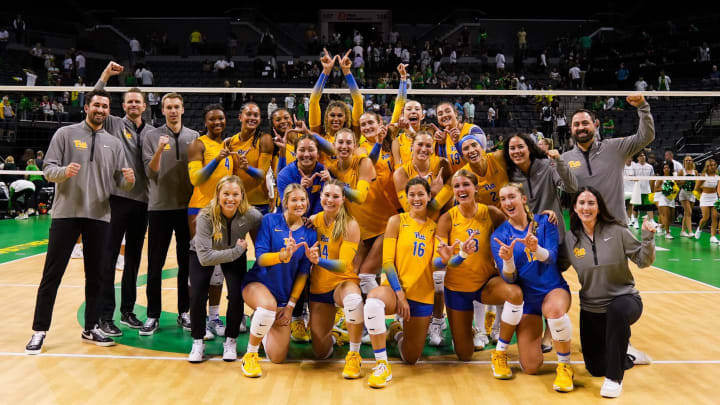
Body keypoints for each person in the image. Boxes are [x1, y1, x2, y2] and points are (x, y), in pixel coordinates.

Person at [25, 89, 135, 354]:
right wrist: (65, 172)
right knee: (52, 274)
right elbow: (48, 170)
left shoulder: (114, 143)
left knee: (96, 276)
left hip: (99, 216)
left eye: (105, 106)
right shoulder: (65, 134)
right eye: (96, 105)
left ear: (109, 111)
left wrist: (129, 180)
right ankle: (39, 330)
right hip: (66, 214)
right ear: (87, 107)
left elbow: (120, 183)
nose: (100, 110)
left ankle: (91, 326)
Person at [561, 187, 656, 398]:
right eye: (582, 203)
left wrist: (648, 239)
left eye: (591, 203)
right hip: (591, 309)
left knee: (616, 310)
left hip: (625, 300)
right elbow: (557, 265)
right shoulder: (570, 239)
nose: (586, 207)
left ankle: (614, 379)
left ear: (599, 207)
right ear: (574, 208)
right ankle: (626, 354)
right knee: (595, 368)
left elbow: (643, 261)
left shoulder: (617, 231)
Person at [433, 170, 520, 378]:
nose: (461, 190)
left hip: (486, 284)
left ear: (475, 188)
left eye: (465, 185)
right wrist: (453, 257)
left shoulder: (491, 213)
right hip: (457, 289)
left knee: (516, 294)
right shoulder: (447, 218)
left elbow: (516, 228)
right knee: (464, 355)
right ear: (453, 191)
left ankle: (501, 349)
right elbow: (439, 262)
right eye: (457, 186)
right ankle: (467, 329)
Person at [491, 183, 574, 392]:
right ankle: (539, 335)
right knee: (531, 367)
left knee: (554, 310)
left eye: (512, 197)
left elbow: (552, 257)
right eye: (503, 199)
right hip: (528, 302)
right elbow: (509, 279)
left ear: (523, 199)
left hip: (553, 289)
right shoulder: (499, 236)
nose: (508, 202)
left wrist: (535, 249)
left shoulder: (545, 221)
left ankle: (565, 366)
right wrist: (508, 261)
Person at [93, 62, 156, 336]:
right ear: (123, 105)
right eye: (129, 101)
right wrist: (106, 75)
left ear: (144, 105)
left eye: (137, 101)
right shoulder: (114, 123)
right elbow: (95, 96)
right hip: (117, 199)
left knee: (132, 260)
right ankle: (105, 316)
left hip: (143, 202)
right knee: (108, 259)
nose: (133, 105)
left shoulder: (154, 132)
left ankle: (127, 311)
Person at [364, 177, 437, 388]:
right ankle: (382, 364)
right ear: (406, 198)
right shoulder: (397, 221)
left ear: (429, 196)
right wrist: (400, 294)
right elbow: (387, 262)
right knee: (373, 302)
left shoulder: (434, 226)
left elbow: (439, 262)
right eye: (411, 194)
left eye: (421, 194)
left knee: (411, 357)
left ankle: (396, 331)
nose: (416, 198)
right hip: (395, 291)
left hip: (422, 294)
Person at [240, 184, 317, 377]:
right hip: (258, 284)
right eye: (294, 200)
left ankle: (259, 321)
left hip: (283, 297)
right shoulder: (269, 220)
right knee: (267, 307)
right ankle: (250, 356)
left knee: (277, 357)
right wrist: (282, 256)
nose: (299, 204)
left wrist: (291, 305)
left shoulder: (310, 232)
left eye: (302, 200)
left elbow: (303, 273)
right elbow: (261, 258)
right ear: (285, 202)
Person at [140, 93, 199, 335]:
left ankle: (184, 312)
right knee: (155, 264)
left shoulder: (194, 137)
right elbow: (150, 173)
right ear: (162, 110)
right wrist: (159, 150)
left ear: (183, 109)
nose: (173, 111)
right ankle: (153, 315)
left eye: (176, 107)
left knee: (186, 265)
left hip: (187, 209)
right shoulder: (151, 136)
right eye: (168, 107)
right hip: (159, 208)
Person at [188, 175, 262, 363]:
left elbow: (268, 226)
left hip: (234, 255)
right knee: (197, 295)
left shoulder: (250, 214)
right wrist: (237, 250)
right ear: (218, 195)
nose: (230, 199)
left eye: (235, 194)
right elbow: (205, 259)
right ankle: (198, 341)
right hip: (203, 254)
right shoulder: (205, 216)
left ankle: (231, 340)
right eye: (226, 194)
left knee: (237, 295)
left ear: (242, 195)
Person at [562, 94, 655, 223]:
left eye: (585, 123)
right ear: (571, 128)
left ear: (595, 125)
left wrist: (643, 107)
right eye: (576, 124)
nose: (581, 128)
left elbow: (646, 137)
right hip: (582, 230)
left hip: (615, 226)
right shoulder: (564, 160)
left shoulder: (615, 148)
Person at [187, 104, 238, 339]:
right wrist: (217, 159)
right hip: (199, 210)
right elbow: (196, 178)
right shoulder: (198, 144)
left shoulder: (227, 147)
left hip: (224, 213)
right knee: (202, 267)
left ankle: (214, 316)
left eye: (221, 118)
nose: (217, 123)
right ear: (205, 122)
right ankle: (195, 317)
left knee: (218, 269)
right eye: (212, 119)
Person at [306, 179, 364, 378]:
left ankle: (354, 354)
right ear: (320, 196)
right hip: (319, 286)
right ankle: (335, 334)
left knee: (353, 301)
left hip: (342, 282)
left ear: (343, 199)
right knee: (320, 353)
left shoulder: (350, 224)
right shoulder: (313, 220)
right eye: (326, 195)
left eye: (335, 196)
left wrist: (318, 260)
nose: (330, 200)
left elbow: (343, 265)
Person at [503, 132, 577, 240]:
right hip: (528, 240)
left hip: (555, 236)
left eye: (520, 146)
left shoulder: (547, 165)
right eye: (512, 148)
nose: (517, 151)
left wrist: (559, 162)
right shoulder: (509, 175)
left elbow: (572, 187)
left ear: (529, 148)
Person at [309, 49, 363, 164]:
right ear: (326, 117)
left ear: (345, 118)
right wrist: (326, 71)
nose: (336, 119)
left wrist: (347, 72)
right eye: (332, 115)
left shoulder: (354, 134)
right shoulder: (319, 134)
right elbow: (313, 101)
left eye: (340, 115)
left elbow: (358, 101)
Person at [226, 102, 274, 214]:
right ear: (240, 117)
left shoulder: (264, 139)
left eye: (256, 115)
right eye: (248, 114)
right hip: (235, 200)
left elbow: (262, 174)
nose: (252, 118)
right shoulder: (230, 142)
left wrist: (247, 168)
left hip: (258, 202)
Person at [433, 101, 486, 173]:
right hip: (456, 182)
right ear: (438, 120)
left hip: (477, 180)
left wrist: (457, 143)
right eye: (440, 114)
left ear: (455, 113)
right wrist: (442, 145)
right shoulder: (441, 139)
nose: (444, 115)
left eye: (448, 111)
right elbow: (445, 170)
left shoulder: (473, 130)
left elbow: (479, 163)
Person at [693, 159, 719, 243]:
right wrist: (703, 192)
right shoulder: (703, 175)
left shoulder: (717, 176)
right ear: (707, 166)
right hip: (705, 197)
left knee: (715, 216)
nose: (713, 166)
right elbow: (696, 188)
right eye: (711, 165)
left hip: (714, 197)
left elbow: (718, 187)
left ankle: (713, 236)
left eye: (714, 165)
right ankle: (699, 228)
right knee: (706, 217)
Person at [653, 161, 678, 239]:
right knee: (666, 215)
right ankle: (667, 233)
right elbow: (655, 188)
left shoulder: (673, 178)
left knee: (672, 218)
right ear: (663, 169)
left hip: (671, 199)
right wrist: (664, 188)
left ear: (670, 169)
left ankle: (661, 225)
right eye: (664, 168)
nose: (666, 169)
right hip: (663, 198)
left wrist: (674, 189)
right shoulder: (661, 178)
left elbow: (676, 187)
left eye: (667, 167)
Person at [677, 156, 697, 237]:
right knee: (689, 212)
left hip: (692, 194)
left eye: (689, 160)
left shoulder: (695, 172)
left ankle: (683, 231)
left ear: (692, 161)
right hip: (684, 193)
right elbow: (677, 183)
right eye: (686, 160)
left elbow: (697, 183)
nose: (688, 162)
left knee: (686, 213)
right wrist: (683, 181)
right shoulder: (682, 171)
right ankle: (690, 232)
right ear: (684, 162)